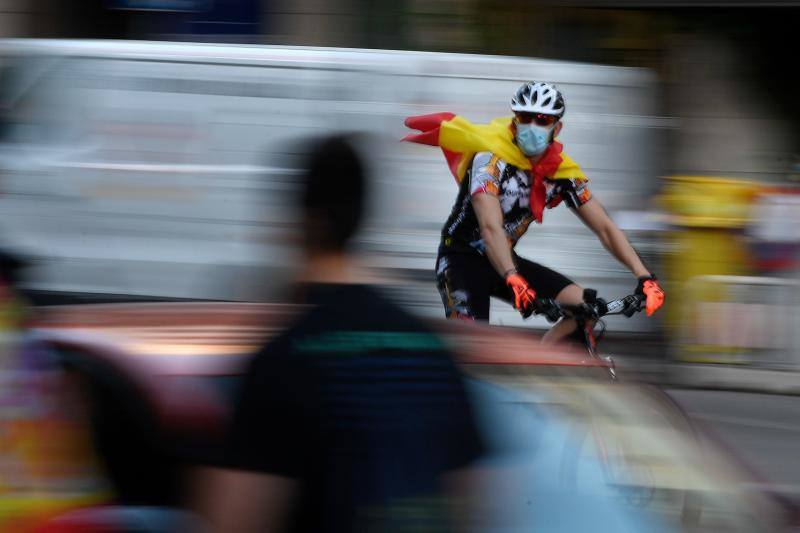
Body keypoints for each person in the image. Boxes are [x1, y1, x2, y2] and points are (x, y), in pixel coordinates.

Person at [197, 135, 484, 533]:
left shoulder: (283, 360)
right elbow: (471, 504)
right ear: (362, 216)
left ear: (302, 221)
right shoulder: (434, 350)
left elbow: (234, 519)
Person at [403, 81, 665, 343]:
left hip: (505, 260)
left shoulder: (562, 172)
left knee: (584, 308)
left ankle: (543, 369)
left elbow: (605, 228)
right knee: (473, 347)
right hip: (461, 260)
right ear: (514, 120)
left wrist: (645, 276)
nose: (532, 126)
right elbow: (490, 226)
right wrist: (512, 277)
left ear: (556, 127)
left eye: (542, 119)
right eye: (524, 117)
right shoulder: (490, 157)